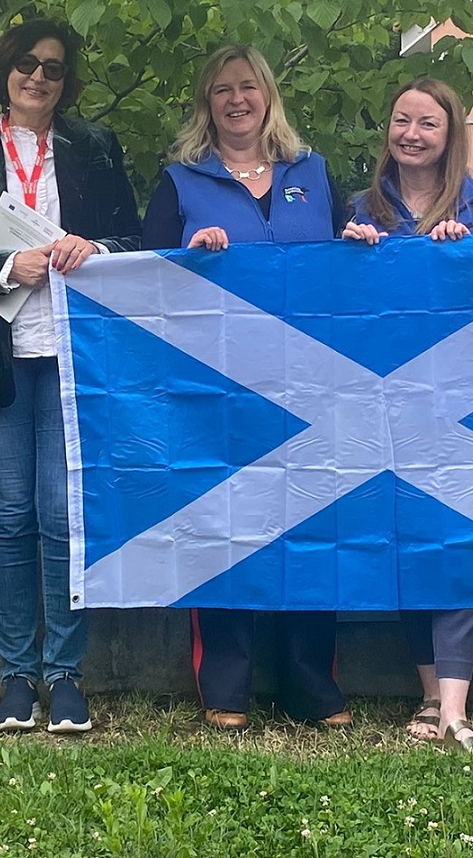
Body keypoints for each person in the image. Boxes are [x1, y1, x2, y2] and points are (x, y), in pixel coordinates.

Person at [0, 18, 140, 734]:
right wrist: (4, 267)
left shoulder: (96, 148)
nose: (38, 76)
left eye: (52, 67)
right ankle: (16, 675)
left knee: (60, 515)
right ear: (5, 71)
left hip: (75, 356)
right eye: (26, 64)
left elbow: (134, 241)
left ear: (65, 80)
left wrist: (95, 246)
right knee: (10, 516)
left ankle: (65, 673)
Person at [141, 44, 351, 732]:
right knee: (224, 527)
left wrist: (362, 243)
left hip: (312, 385)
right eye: (222, 89)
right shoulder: (179, 181)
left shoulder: (313, 173)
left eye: (248, 87)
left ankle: (311, 686)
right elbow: (145, 278)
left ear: (268, 96)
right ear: (207, 102)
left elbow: (348, 255)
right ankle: (226, 685)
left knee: (311, 531)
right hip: (218, 388)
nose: (237, 99)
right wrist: (185, 256)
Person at [342, 76, 473, 754]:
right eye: (402, 120)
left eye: (428, 123)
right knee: (406, 542)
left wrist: (470, 257)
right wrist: (347, 255)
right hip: (387, 406)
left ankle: (456, 704)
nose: (412, 133)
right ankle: (425, 691)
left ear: (452, 136)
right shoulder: (364, 206)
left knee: (459, 541)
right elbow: (338, 312)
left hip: (466, 403)